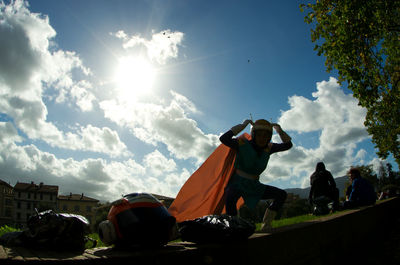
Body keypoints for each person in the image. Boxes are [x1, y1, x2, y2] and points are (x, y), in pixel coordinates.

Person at [219, 119, 292, 232]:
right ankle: (234, 227)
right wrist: (242, 126)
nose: (262, 138)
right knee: (230, 196)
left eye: (266, 135)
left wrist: (279, 129)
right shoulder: (242, 143)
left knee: (281, 195)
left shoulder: (269, 148)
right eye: (259, 135)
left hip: (254, 185)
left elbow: (288, 145)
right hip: (237, 182)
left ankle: (266, 224)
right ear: (254, 134)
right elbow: (224, 139)